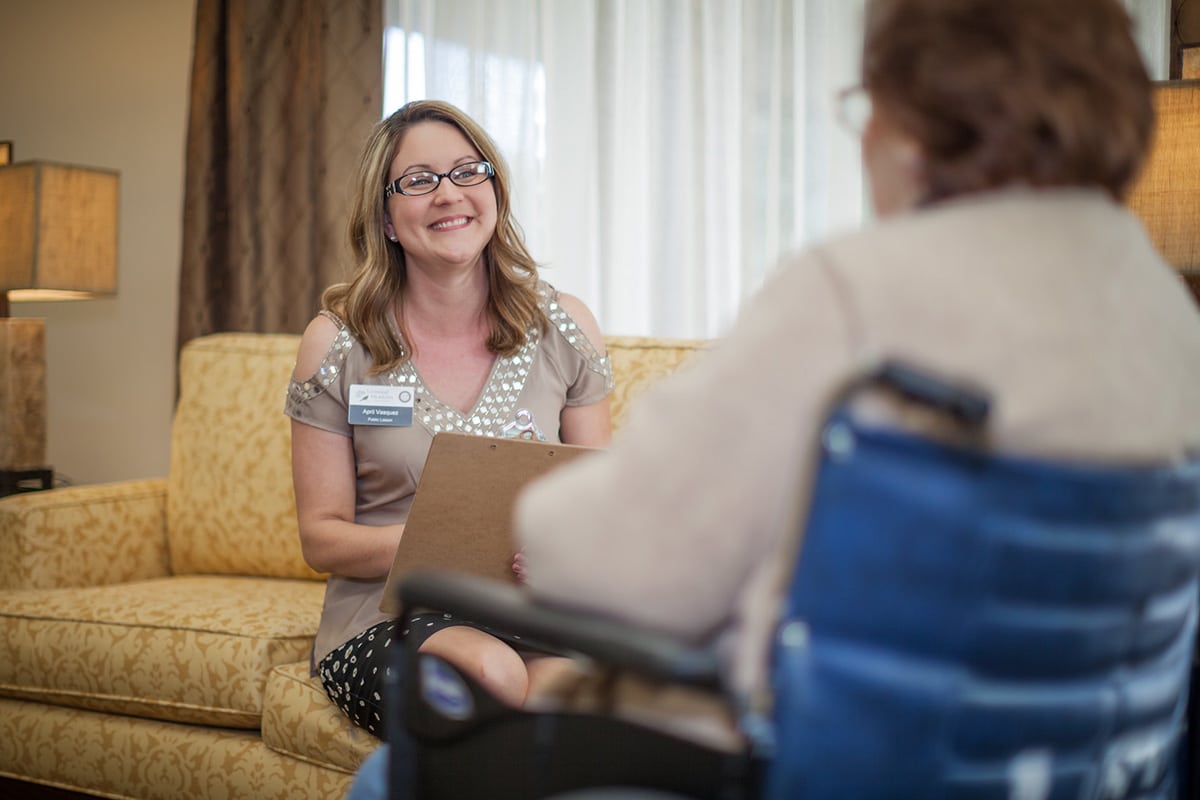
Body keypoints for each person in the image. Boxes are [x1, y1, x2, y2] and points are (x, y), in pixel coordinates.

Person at [515, 0, 1200, 728]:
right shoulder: (1171, 315)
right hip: (1078, 763)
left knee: (409, 762)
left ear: (916, 120)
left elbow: (599, 561)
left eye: (869, 103)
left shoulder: (854, 290)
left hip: (824, 756)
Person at [286, 99, 612, 738]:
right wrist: (451, 548)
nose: (448, 194)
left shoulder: (564, 327)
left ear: (495, 190)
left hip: (534, 611)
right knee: (488, 674)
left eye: (469, 171)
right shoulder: (337, 344)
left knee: (563, 698)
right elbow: (321, 539)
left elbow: (601, 505)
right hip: (391, 618)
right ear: (384, 215)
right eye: (418, 180)